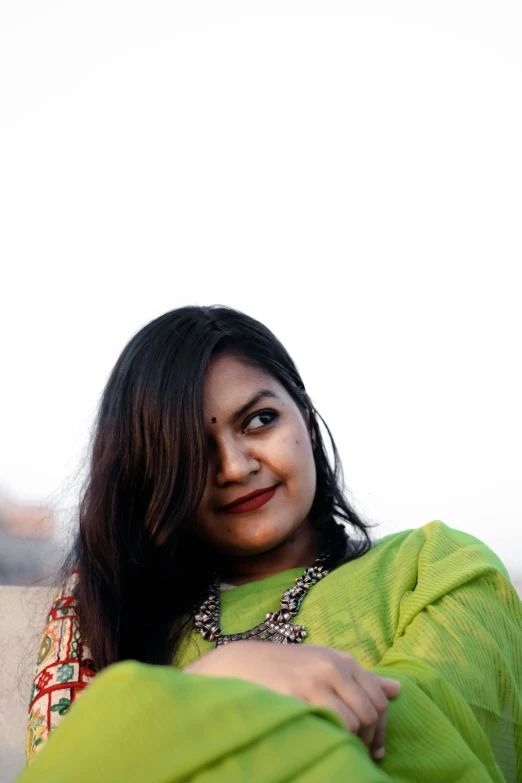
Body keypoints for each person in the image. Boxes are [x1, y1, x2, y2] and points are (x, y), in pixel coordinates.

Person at [19, 305, 522, 782]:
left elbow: (424, 737)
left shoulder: (435, 567)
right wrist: (215, 679)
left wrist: (175, 709)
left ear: (305, 417)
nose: (236, 468)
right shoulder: (115, 626)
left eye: (259, 420)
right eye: (191, 450)